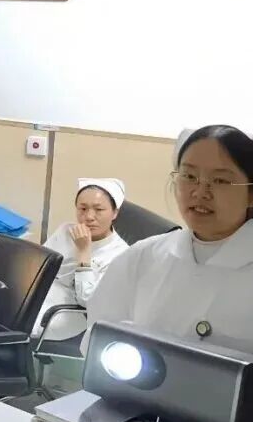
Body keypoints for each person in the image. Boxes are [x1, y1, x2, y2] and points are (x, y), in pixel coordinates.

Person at [87, 125, 253, 354]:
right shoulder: (142, 257)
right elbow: (96, 336)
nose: (200, 192)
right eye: (189, 176)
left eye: (220, 181)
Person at [32, 178, 128, 344]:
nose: (89, 217)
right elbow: (40, 263)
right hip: (43, 292)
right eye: (83, 209)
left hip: (65, 312)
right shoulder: (66, 230)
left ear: (115, 213)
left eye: (99, 209)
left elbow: (88, 302)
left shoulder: (120, 253)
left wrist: (84, 252)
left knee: (5, 318)